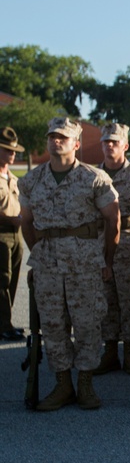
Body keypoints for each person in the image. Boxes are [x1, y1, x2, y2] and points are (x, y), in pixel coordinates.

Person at [20, 118, 120, 411]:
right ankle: (63, 384)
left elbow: (112, 221)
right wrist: (38, 252)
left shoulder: (94, 178)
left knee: (87, 321)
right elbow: (27, 223)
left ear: (76, 143)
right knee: (52, 323)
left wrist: (107, 260)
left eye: (63, 137)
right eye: (52, 136)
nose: (56, 141)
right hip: (48, 261)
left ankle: (86, 383)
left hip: (85, 261)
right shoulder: (31, 180)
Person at [95, 123, 130, 376]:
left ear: (125, 146)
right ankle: (110, 350)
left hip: (129, 242)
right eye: (106, 141)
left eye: (115, 142)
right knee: (106, 298)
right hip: (100, 241)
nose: (110, 145)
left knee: (129, 299)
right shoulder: (92, 176)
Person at [0, 127, 24, 340]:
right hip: (1, 233)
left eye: (13, 150)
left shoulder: (12, 178)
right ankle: (3, 326)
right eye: (7, 150)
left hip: (17, 234)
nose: (12, 154)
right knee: (2, 280)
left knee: (14, 279)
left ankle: (6, 322)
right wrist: (11, 219)